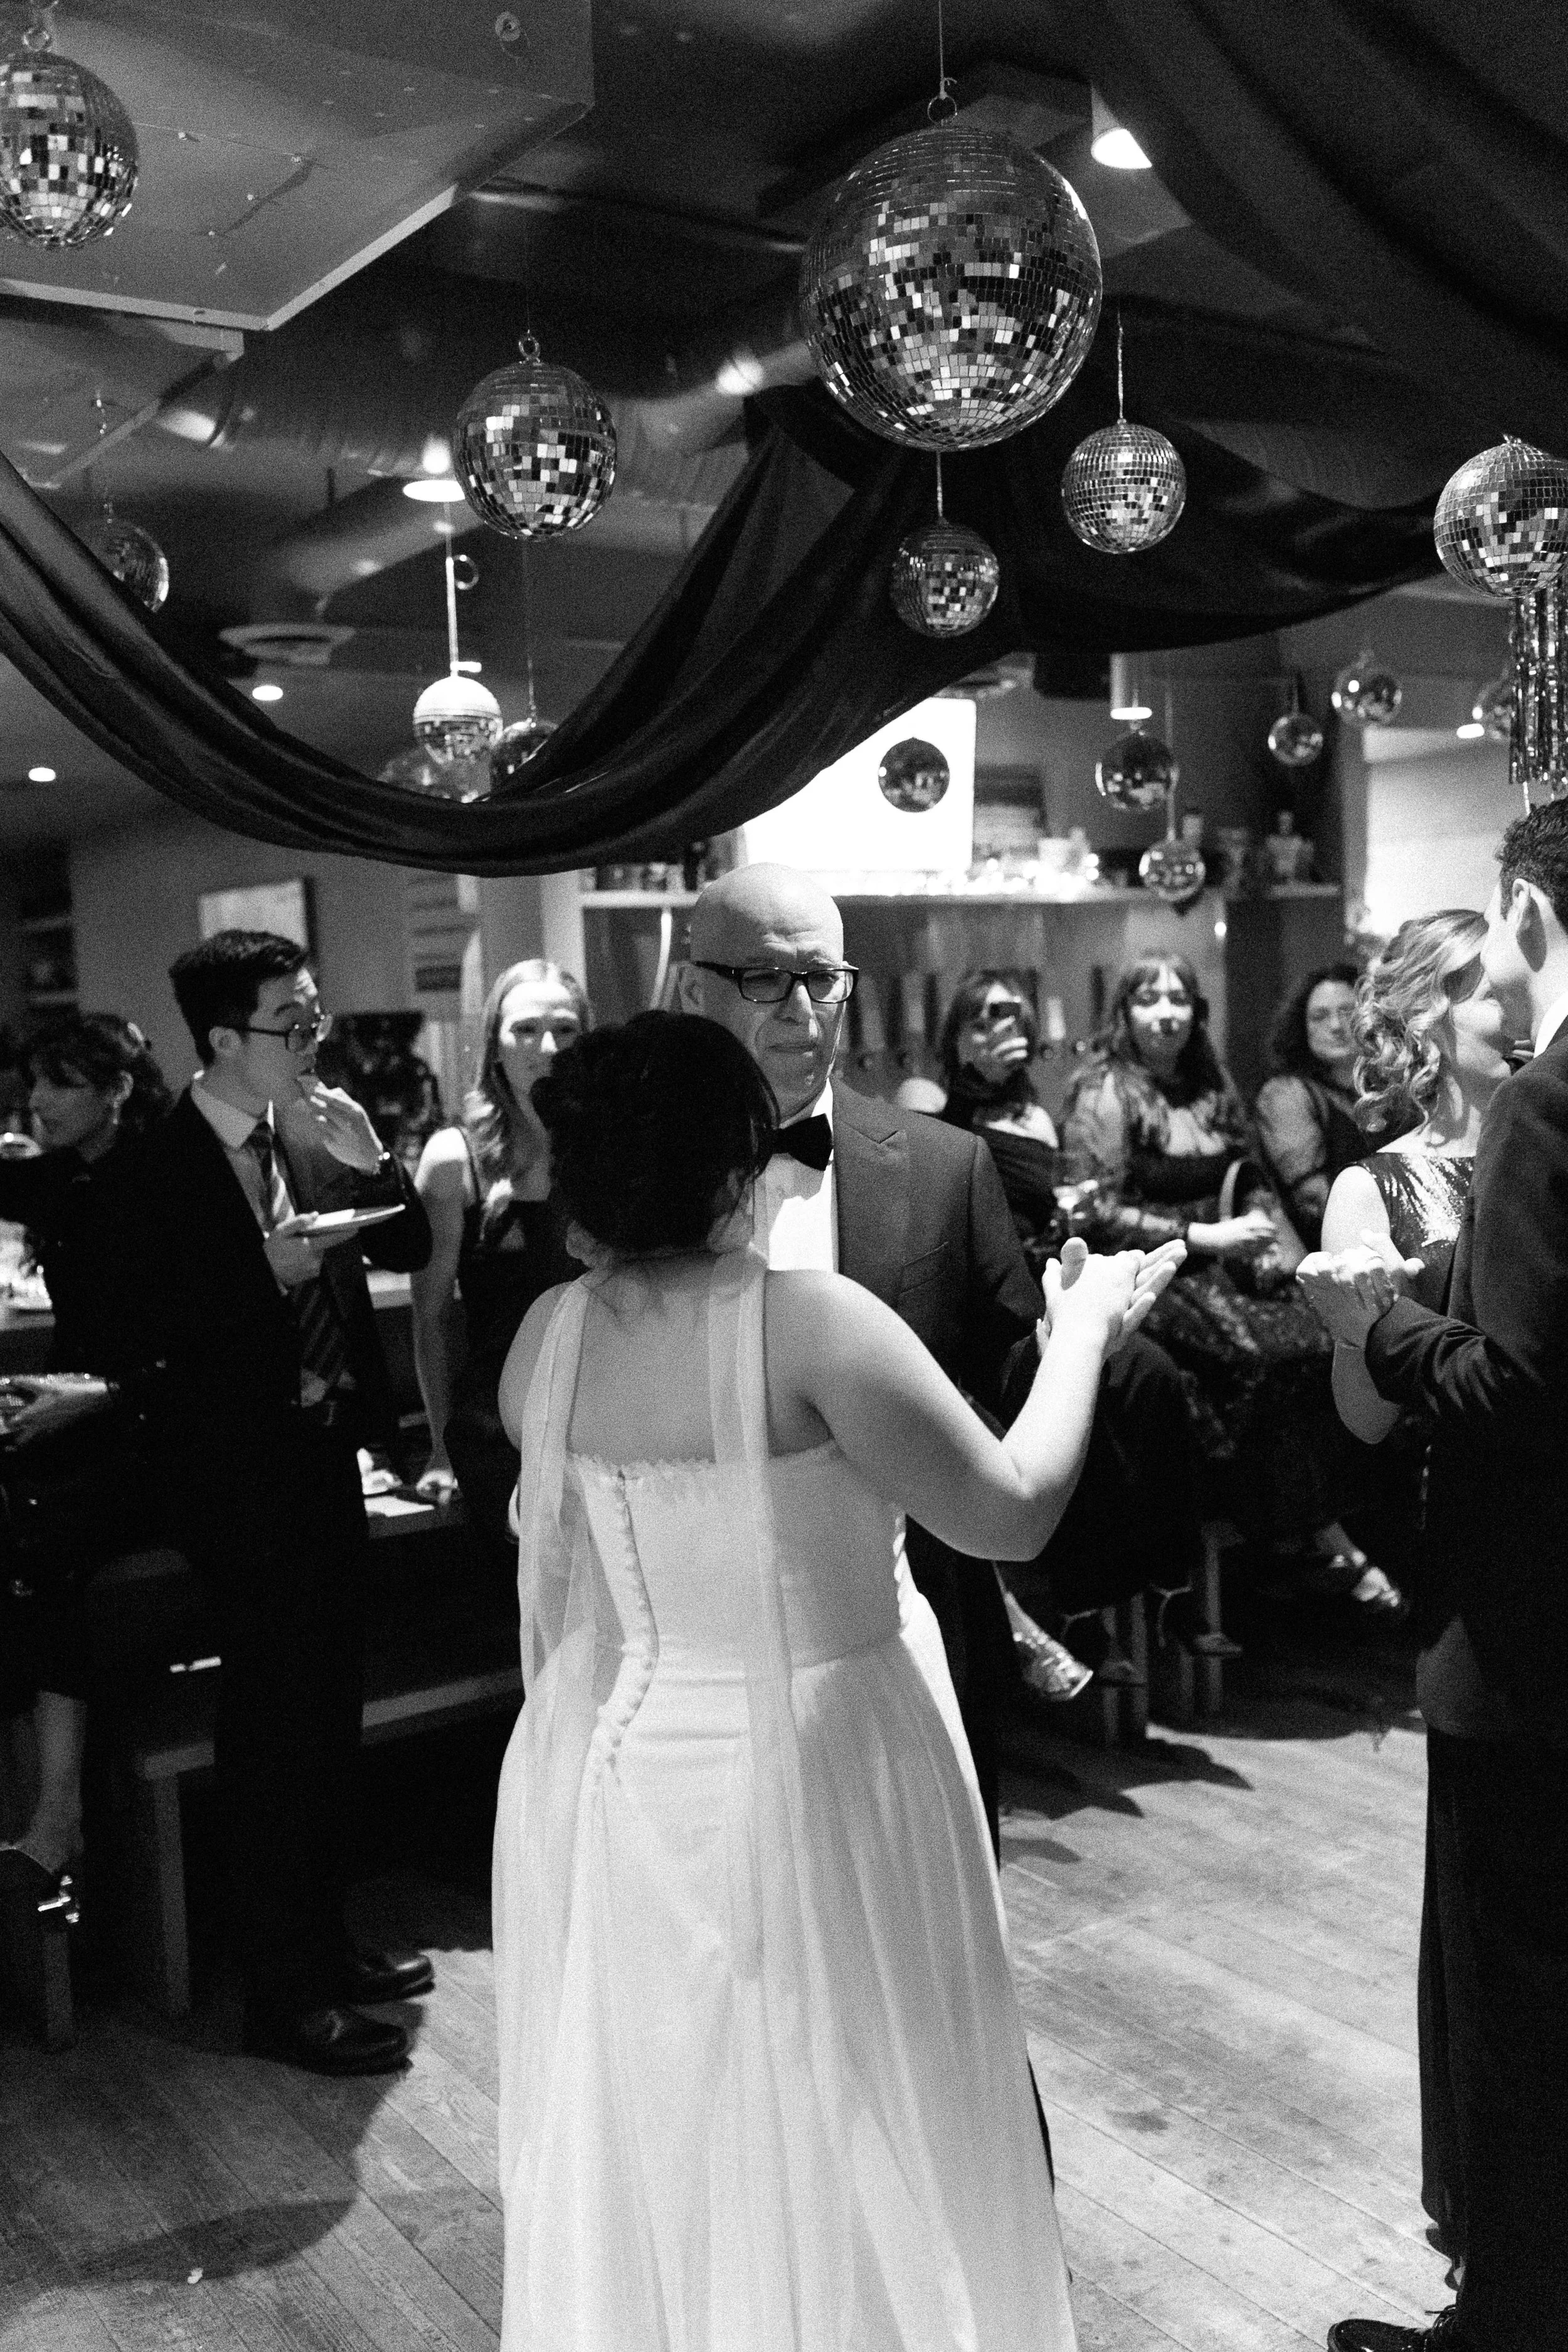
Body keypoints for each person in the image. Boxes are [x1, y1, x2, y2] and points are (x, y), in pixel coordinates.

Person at [492, 1009, 1179, 2348]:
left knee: (681, 2108)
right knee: (866, 2084)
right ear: (738, 1157)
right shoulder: (811, 1326)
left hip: (626, 1774)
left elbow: (567, 1580)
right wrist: (1083, 1324)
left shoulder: (544, 1341)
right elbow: (1011, 1511)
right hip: (826, 1749)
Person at [1301, 803, 1568, 2352]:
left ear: (1530, 918)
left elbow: (1525, 1385)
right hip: (1489, 1595)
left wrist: (1386, 1325)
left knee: (1520, 2000)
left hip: (1530, 1634)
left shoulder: (1542, 1118)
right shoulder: (1393, 1176)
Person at [105, 931, 437, 2077]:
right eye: (290, 1025)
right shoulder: (154, 1166)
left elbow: (419, 1242)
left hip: (326, 1463)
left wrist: (375, 1160)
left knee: (327, 1718)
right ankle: (281, 1996)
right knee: (275, 1735)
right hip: (234, 1485)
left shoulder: (309, 1126)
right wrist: (264, 1278)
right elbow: (124, 1334)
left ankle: (326, 1946)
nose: (312, 1041)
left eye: (315, 1020)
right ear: (221, 1040)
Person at [677, 869, 1059, 1846]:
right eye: (766, 977)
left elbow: (1010, 1377)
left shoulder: (942, 1166)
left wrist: (1075, 1343)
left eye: (824, 976)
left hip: (907, 1630)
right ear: (692, 989)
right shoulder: (630, 1179)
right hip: (701, 1657)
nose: (805, 1009)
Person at [1306, 911, 1510, 2280]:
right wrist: (1355, 1324)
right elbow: (1359, 1423)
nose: (1516, 1000)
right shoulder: (1377, 1189)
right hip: (1474, 1551)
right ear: (1426, 1016)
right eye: (1481, 984)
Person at [898, 967, 1225, 1684]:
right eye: (980, 1018)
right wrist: (970, 1088)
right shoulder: (928, 1100)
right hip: (978, 1310)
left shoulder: (1036, 1115)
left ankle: (1171, 1587)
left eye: (1010, 1015)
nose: (999, 1028)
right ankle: (1080, 1607)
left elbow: (1044, 1214)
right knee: (1079, 1406)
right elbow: (926, 1193)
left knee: (1154, 1376)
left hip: (1042, 1283)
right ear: (955, 1034)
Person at [1061, 953, 1396, 1608]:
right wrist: (1197, 1238)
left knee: (1319, 1338)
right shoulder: (1102, 1089)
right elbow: (1092, 1211)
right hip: (1147, 1269)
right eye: (1148, 1000)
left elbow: (1246, 1175)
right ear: (1123, 1014)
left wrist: (1272, 1243)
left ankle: (1301, 1527)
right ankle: (1292, 1532)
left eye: (1179, 999)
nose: (1166, 1013)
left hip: (1226, 1260)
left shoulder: (1208, 1080)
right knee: (1257, 1356)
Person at [0, 1014, 172, 1895]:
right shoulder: (63, 1177)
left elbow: (203, 1354)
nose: (36, 1099)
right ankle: (57, 1806)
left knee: (37, 1535)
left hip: (157, 1428)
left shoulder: (166, 1182)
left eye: (60, 1082)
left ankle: (60, 1810)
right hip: (86, 1416)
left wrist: (89, 1396)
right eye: (32, 1080)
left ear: (116, 1091)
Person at [409, 961, 587, 1531]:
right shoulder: (453, 1159)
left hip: (596, 1415)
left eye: (566, 1029)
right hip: (494, 1429)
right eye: (527, 1030)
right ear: (495, 1045)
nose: (548, 1046)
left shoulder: (605, 1149)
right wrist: (440, 1449)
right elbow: (431, 1320)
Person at [1254, 961, 1370, 1249]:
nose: (1336, 1026)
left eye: (1347, 1012)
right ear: (1301, 1028)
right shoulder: (1286, 1094)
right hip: (1329, 1252)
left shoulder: (1386, 1087)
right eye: (1320, 1016)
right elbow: (1315, 1201)